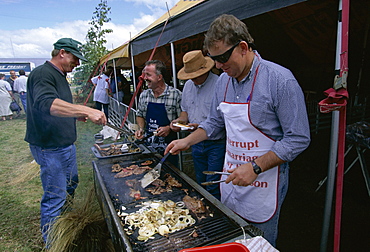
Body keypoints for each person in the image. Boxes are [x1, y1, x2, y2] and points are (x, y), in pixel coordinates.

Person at [165, 14, 310, 246]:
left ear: (243, 47)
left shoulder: (280, 80)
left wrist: (255, 167)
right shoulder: (223, 82)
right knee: (232, 238)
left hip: (265, 181)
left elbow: (298, 138)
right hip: (231, 175)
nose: (220, 66)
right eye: (214, 59)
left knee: (258, 243)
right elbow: (214, 123)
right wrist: (188, 141)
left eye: (223, 57)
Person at [25, 38, 107, 246]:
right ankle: (54, 244)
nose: (77, 64)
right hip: (50, 147)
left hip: (64, 145)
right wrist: (87, 110)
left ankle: (64, 228)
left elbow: (59, 106)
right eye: (75, 58)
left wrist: (73, 115)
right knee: (55, 197)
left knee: (70, 186)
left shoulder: (60, 75)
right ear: (62, 53)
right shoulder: (43, 73)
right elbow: (47, 104)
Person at [170, 50, 226, 200]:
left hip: (216, 143)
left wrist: (199, 126)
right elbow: (185, 112)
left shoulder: (220, 83)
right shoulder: (188, 86)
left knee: (213, 184)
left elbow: (222, 119)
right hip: (195, 143)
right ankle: (205, 211)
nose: (192, 79)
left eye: (195, 75)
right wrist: (179, 122)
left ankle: (216, 218)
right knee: (201, 182)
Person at [135, 60, 182, 166]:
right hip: (148, 146)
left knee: (170, 176)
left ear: (159, 77)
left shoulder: (175, 95)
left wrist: (169, 128)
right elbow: (140, 115)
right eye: (144, 74)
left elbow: (183, 121)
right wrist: (141, 129)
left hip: (169, 147)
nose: (144, 78)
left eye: (148, 74)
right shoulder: (144, 95)